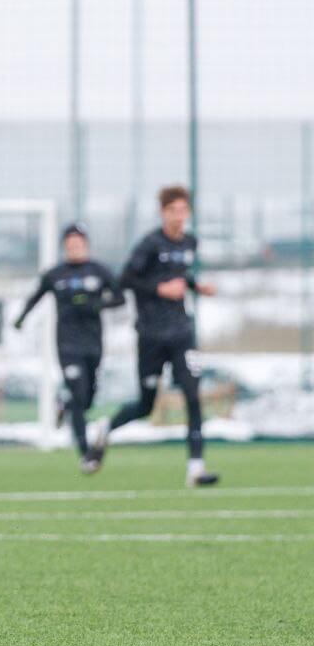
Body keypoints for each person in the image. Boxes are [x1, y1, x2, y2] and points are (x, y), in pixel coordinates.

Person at [93, 186, 219, 486]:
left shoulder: (190, 242)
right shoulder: (149, 244)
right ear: (163, 213)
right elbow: (126, 279)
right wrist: (160, 289)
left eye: (183, 210)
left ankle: (196, 469)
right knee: (146, 404)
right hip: (151, 335)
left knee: (192, 395)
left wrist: (195, 286)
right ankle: (106, 427)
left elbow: (180, 274)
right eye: (172, 211)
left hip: (182, 333)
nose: (178, 216)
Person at [13, 223, 123, 473]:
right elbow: (36, 297)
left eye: (79, 244)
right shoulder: (56, 274)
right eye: (70, 245)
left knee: (87, 398)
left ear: (86, 245)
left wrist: (99, 305)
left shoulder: (99, 271)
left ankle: (63, 404)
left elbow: (120, 298)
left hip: (93, 344)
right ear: (64, 247)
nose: (75, 248)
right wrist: (21, 319)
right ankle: (86, 455)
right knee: (78, 393)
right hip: (67, 344)